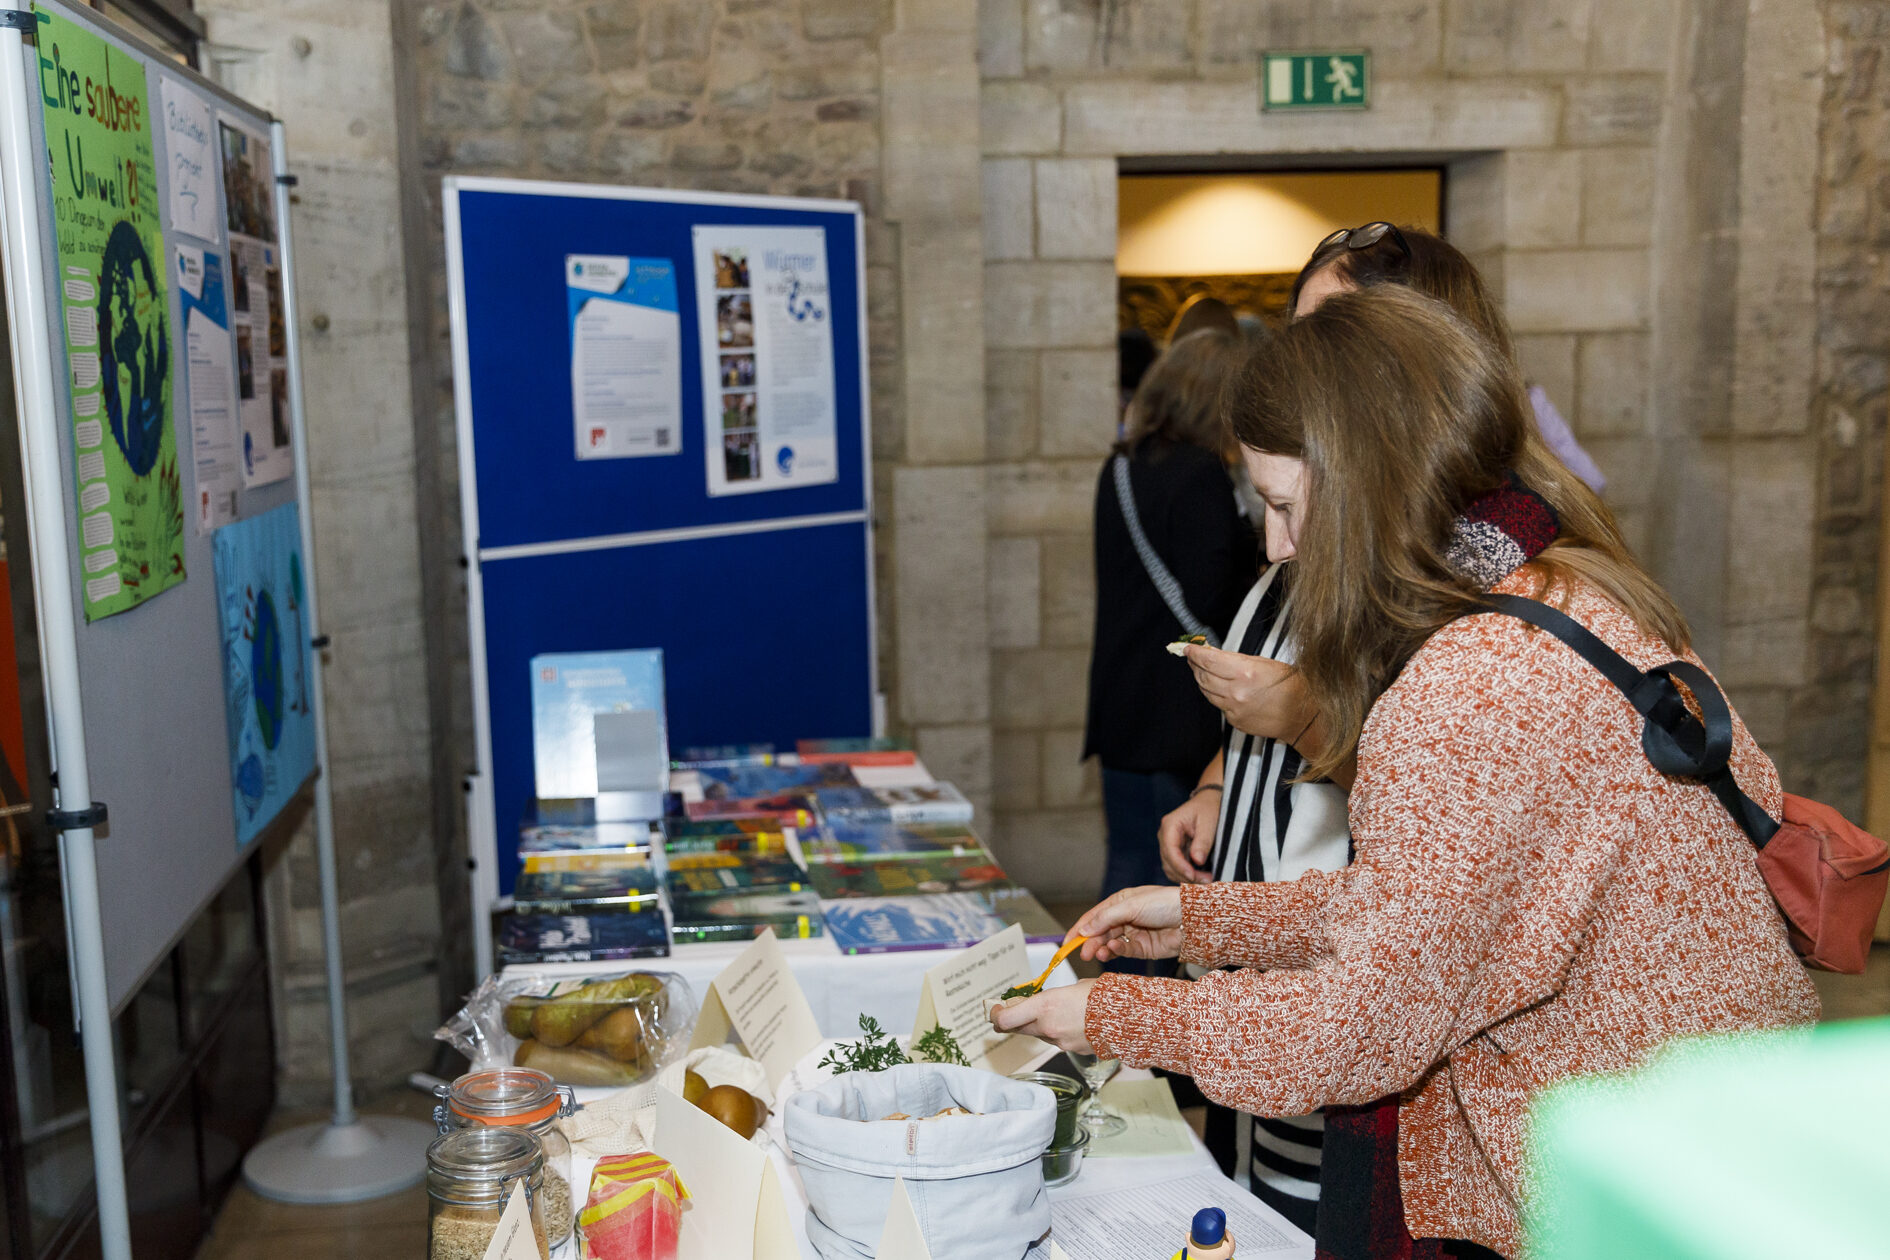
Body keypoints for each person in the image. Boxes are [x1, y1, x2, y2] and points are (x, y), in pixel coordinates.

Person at [997, 285, 1819, 1259]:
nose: (1275, 547)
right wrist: (1203, 919)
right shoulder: (1558, 589)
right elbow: (1436, 909)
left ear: (1370, 487)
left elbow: (1361, 1026)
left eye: (1286, 505)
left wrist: (1109, 1015)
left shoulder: (1460, 690)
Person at [1082, 329, 1257, 920]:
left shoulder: (1120, 467)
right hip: (1178, 711)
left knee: (1124, 858)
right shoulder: (1200, 474)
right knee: (1168, 877)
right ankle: (1134, 1003)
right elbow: (1210, 593)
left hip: (1121, 700)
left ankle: (1103, 996)